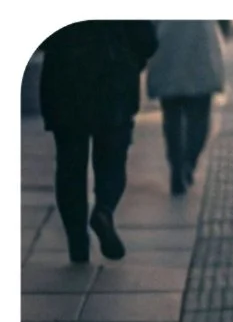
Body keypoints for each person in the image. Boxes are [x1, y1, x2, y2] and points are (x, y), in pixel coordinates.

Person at [37, 20, 158, 263]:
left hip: (64, 81)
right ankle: (104, 209)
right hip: (113, 80)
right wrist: (133, 60)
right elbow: (146, 38)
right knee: (112, 159)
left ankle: (77, 241)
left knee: (70, 165)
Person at [147, 20, 230, 195]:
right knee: (200, 116)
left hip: (167, 43)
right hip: (201, 43)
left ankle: (176, 166)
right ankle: (189, 162)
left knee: (171, 116)